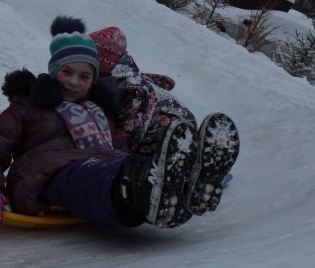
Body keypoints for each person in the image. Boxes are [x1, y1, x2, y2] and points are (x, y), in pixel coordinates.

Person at [0, 16, 202, 230]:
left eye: (84, 76)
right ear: (53, 70)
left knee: (120, 165)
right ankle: (144, 187)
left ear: (94, 80)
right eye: (66, 72)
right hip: (45, 175)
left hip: (102, 167)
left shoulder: (98, 109)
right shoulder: (29, 106)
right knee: (89, 175)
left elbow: (118, 147)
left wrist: (135, 158)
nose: (73, 82)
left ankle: (177, 185)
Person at [89, 25, 238, 215]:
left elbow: (130, 136)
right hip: (159, 123)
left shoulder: (133, 91)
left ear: (103, 59)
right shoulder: (109, 79)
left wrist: (109, 164)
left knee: (145, 150)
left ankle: (190, 167)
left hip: (174, 128)